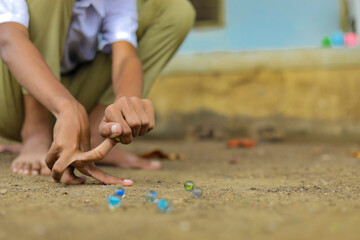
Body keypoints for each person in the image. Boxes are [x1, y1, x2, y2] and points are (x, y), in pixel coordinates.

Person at [0, 0, 195, 184]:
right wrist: (66, 106)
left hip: (74, 113)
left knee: (175, 11)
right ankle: (36, 132)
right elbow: (9, 39)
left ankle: (93, 137)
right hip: (11, 97)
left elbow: (125, 56)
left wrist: (124, 106)